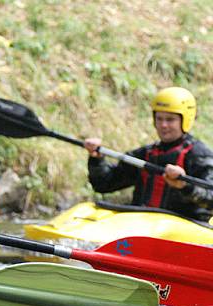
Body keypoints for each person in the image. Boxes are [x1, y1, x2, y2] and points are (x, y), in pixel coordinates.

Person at [83, 86, 213, 221]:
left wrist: (185, 185)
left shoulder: (200, 156)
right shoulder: (146, 154)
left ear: (185, 120)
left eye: (170, 119)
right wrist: (97, 160)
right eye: (159, 118)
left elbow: (211, 198)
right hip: (144, 226)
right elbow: (104, 184)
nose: (163, 125)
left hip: (184, 230)